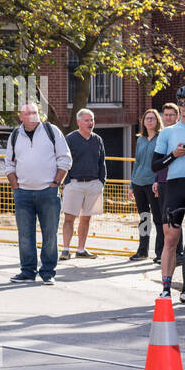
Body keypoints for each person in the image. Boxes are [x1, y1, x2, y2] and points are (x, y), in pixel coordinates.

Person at [3, 101, 71, 284]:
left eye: (34, 112)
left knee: (50, 234)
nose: (32, 116)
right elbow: (9, 163)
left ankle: (48, 273)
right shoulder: (15, 135)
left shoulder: (52, 131)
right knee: (25, 235)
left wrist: (56, 183)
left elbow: (65, 159)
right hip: (23, 193)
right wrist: (15, 186)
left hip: (48, 193)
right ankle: (27, 271)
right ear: (21, 116)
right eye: (27, 113)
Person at [152, 85, 185, 300]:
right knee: (170, 240)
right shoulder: (168, 132)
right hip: (175, 187)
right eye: (181, 103)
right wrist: (174, 154)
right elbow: (155, 165)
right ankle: (166, 288)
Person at [61, 109, 106, 260]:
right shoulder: (70, 139)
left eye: (92, 120)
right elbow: (63, 160)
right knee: (69, 218)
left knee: (86, 218)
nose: (90, 123)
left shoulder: (97, 139)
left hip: (94, 185)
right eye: (86, 120)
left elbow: (102, 162)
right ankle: (66, 249)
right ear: (79, 122)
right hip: (74, 184)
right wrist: (67, 182)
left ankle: (81, 249)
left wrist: (101, 182)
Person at [130, 109, 164, 262]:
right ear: (143, 122)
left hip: (153, 183)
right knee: (144, 218)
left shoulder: (161, 138)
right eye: (147, 118)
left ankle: (160, 252)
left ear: (157, 121)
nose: (149, 121)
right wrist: (131, 184)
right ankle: (142, 251)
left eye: (152, 118)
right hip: (138, 182)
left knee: (158, 217)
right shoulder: (140, 139)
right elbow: (137, 162)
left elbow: (161, 163)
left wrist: (158, 180)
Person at [153, 102, 182, 263]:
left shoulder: (180, 133)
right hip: (163, 181)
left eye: (171, 115)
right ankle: (166, 253)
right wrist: (156, 180)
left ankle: (179, 253)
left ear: (177, 116)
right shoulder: (163, 135)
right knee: (165, 218)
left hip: (177, 181)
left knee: (176, 217)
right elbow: (158, 162)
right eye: (166, 115)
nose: (168, 118)